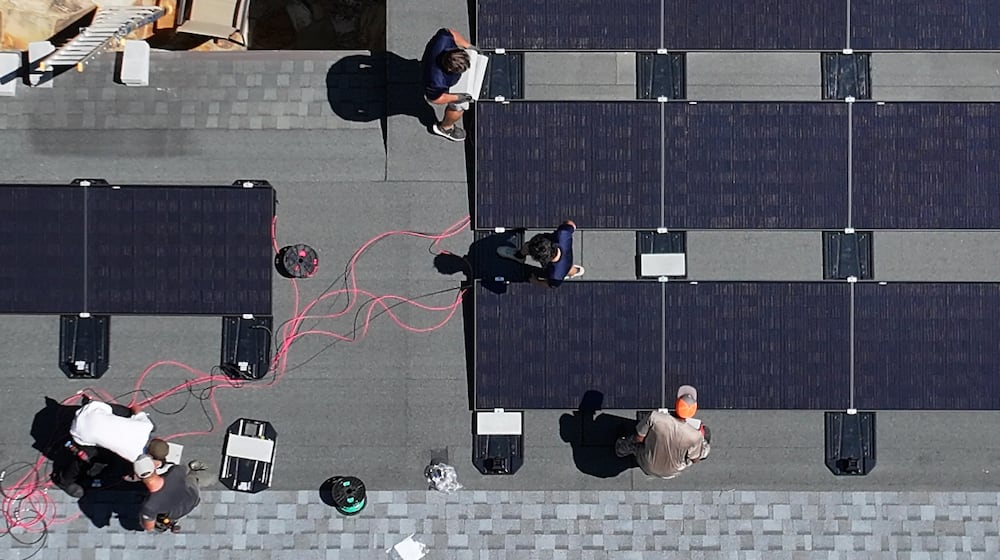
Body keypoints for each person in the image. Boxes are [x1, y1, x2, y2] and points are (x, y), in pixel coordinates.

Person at [615, 385, 711, 479]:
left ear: (676, 404)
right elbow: (695, 460)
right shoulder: (695, 436)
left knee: (635, 441)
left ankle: (620, 450)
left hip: (648, 465)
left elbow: (639, 438)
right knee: (704, 442)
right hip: (670, 472)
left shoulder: (655, 417)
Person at [421, 27, 474, 141]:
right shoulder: (437, 82)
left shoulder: (444, 38)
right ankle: (445, 128)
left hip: (429, 60)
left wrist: (469, 46)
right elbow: (435, 98)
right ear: (450, 69)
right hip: (438, 86)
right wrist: (458, 97)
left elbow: (452, 34)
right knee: (459, 106)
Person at [497, 220, 584, 287]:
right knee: (528, 245)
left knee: (566, 271)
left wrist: (536, 281)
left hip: (560, 268)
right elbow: (571, 225)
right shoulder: (563, 234)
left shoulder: (555, 275)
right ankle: (519, 256)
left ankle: (574, 271)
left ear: (543, 261)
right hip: (562, 261)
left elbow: (550, 285)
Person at [136, 455, 207, 533]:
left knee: (158, 521)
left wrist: (143, 519)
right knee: (190, 479)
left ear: (137, 476)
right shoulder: (175, 472)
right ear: (154, 468)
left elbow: (148, 527)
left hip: (176, 514)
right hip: (193, 497)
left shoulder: (149, 507)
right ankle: (194, 470)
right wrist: (160, 463)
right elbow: (183, 468)